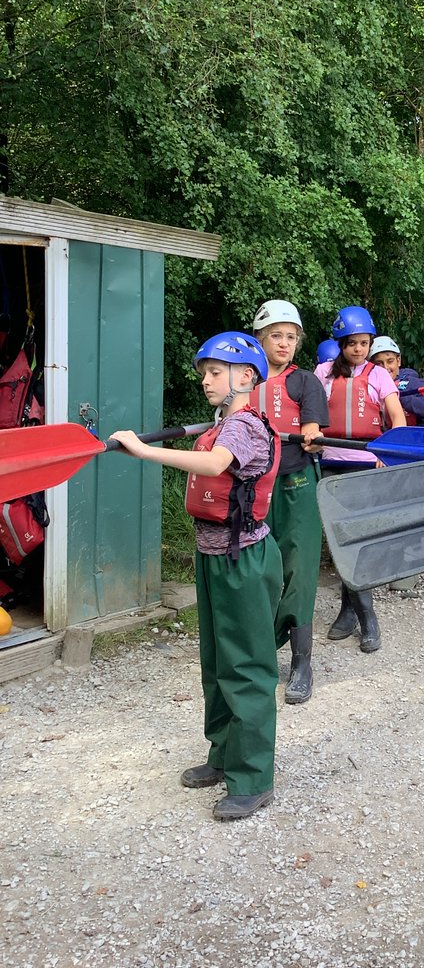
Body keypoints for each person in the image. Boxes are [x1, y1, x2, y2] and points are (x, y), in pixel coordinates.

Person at [112, 333, 282, 821]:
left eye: (215, 371)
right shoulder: (221, 422)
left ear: (246, 376)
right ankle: (224, 756)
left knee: (246, 667)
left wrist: (144, 453)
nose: (205, 379)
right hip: (213, 556)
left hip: (244, 561)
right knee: (216, 663)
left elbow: (214, 464)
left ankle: (252, 777)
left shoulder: (244, 426)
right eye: (203, 371)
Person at [249, 300, 330, 705]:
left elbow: (312, 425)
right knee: (258, 567)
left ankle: (301, 663)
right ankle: (259, 647)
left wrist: (311, 434)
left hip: (296, 482)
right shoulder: (244, 380)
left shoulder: (305, 382)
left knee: (298, 569)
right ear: (260, 340)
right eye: (275, 336)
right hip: (252, 486)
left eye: (291, 337)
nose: (284, 343)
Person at [315, 306, 405, 652]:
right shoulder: (323, 372)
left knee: (357, 541)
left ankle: (365, 616)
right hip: (329, 463)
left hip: (366, 464)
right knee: (341, 541)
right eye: (351, 343)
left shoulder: (379, 375)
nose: (358, 349)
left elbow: (397, 418)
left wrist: (387, 453)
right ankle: (348, 612)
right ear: (340, 343)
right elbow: (309, 414)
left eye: (364, 343)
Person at [369, 334, 424, 594]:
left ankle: (407, 574)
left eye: (390, 361)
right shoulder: (369, 383)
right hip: (383, 455)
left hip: (413, 453)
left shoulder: (414, 381)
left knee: (412, 513)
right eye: (379, 363)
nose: (386, 367)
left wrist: (399, 395)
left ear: (398, 360)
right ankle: (385, 566)